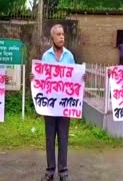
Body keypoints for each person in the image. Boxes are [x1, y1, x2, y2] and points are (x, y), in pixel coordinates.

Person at [34, 24, 84, 181]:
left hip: (64, 107)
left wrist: (82, 78)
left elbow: (74, 77)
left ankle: (63, 172)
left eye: (63, 34)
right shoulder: (45, 56)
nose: (62, 37)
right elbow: (41, 78)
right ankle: (50, 171)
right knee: (50, 139)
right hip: (49, 107)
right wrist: (34, 77)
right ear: (52, 37)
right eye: (58, 34)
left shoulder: (69, 56)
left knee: (63, 138)